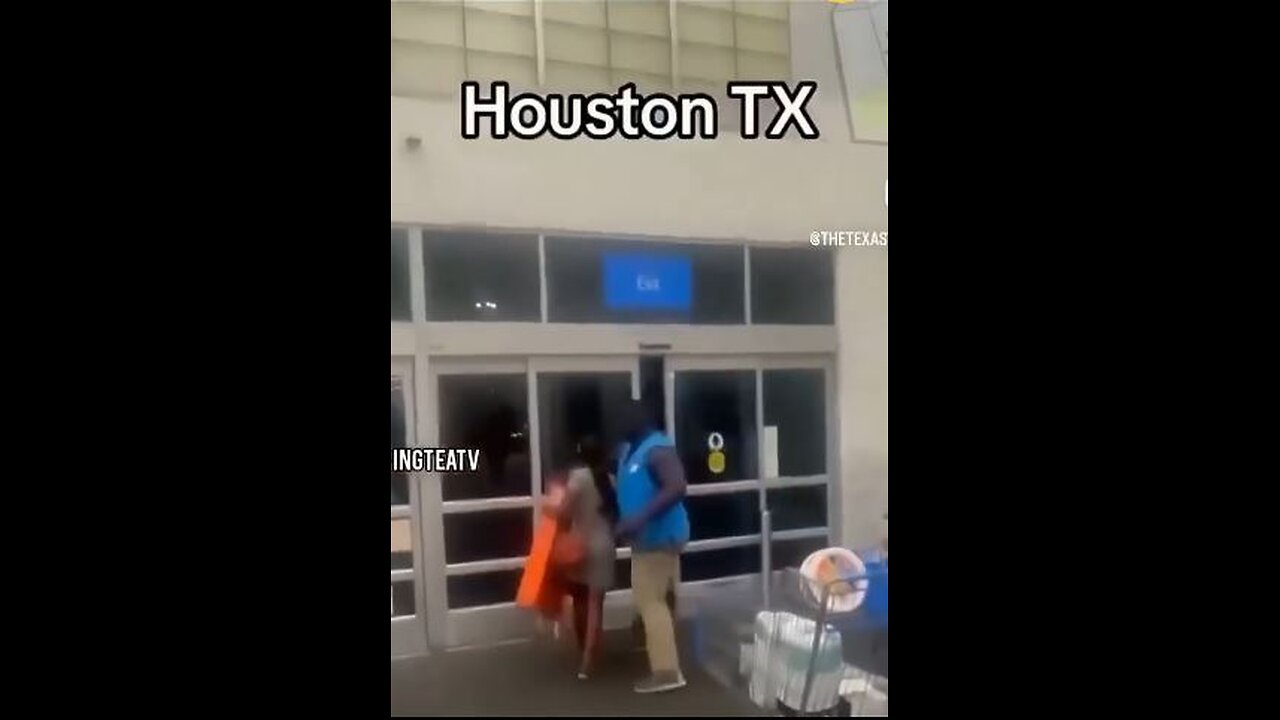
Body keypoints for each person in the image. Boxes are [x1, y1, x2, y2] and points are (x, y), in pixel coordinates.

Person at [614, 400, 690, 694]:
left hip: (660, 537)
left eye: (623, 418)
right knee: (658, 595)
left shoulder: (657, 448)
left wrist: (638, 518)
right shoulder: (629, 451)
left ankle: (667, 672)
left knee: (650, 601)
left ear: (639, 419)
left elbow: (677, 486)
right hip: (646, 539)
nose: (618, 424)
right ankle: (655, 644)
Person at [543, 437, 619, 679]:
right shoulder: (610, 478)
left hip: (582, 547)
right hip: (605, 546)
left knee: (581, 600)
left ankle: (586, 658)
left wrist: (546, 506)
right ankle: (592, 653)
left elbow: (563, 511)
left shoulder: (579, 477)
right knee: (597, 604)